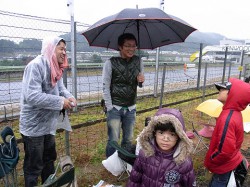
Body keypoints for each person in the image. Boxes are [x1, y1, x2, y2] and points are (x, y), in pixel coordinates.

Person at [19, 36, 76, 187]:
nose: (64, 52)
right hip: (33, 127)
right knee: (34, 166)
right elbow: (32, 96)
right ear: (50, 48)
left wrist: (69, 97)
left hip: (48, 124)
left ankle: (49, 184)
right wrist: (60, 102)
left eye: (65, 49)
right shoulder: (36, 66)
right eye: (61, 48)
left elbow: (60, 89)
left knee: (49, 160)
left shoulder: (56, 67)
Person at [127, 108, 196, 187]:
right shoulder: (144, 154)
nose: (165, 139)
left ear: (179, 136)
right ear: (154, 133)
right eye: (161, 133)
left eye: (172, 134)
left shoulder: (184, 162)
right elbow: (134, 181)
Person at [102, 33, 145, 157]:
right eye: (127, 46)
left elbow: (139, 84)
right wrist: (110, 108)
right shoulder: (110, 63)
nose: (131, 49)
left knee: (128, 139)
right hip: (115, 107)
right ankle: (111, 164)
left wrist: (141, 81)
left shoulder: (139, 61)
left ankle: (124, 161)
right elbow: (105, 87)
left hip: (131, 108)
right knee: (113, 140)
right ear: (120, 47)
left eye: (134, 46)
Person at [204, 78, 250, 187]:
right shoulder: (233, 113)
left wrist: (211, 161)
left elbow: (225, 151)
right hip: (228, 164)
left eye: (223, 89)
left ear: (232, 94)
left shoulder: (227, 118)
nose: (219, 90)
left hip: (222, 166)